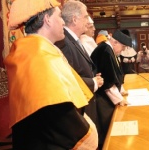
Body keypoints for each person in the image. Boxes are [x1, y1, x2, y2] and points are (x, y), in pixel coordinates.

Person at [5, 0, 98, 149]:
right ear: (47, 20)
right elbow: (56, 112)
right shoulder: (38, 56)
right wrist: (87, 132)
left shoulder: (32, 49)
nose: (63, 22)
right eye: (60, 16)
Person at [55, 0, 104, 147]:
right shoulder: (64, 42)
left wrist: (93, 78)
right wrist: (93, 82)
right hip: (79, 108)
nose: (88, 21)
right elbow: (66, 78)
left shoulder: (74, 40)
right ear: (75, 19)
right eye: (85, 17)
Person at [91, 29, 131, 148]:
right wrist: (119, 100)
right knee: (108, 128)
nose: (122, 51)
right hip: (102, 98)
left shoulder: (108, 49)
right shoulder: (105, 51)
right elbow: (108, 81)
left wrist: (121, 91)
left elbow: (115, 73)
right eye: (123, 48)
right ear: (115, 43)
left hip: (107, 95)